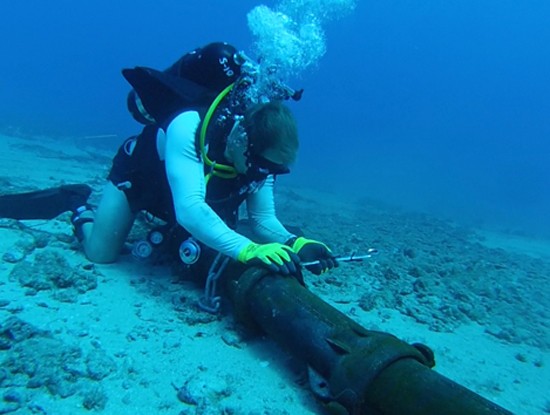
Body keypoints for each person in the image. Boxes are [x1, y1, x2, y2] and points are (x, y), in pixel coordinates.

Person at [68, 41, 338, 277]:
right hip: (141, 179)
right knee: (100, 253)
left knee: (206, 234)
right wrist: (248, 249)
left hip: (182, 196)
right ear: (242, 141)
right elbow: (190, 209)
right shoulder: (190, 125)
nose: (264, 174)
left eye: (275, 169)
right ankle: (78, 206)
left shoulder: (260, 164)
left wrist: (296, 243)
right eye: (264, 166)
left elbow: (262, 220)